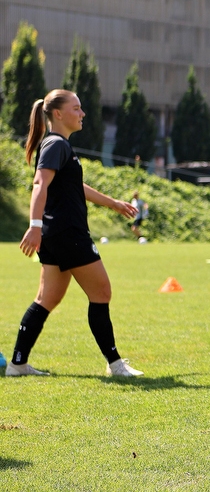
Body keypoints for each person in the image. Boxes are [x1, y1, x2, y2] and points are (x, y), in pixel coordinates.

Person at [9, 89, 143, 377]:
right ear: (58, 113)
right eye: (76, 108)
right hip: (68, 233)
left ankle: (17, 364)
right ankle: (116, 365)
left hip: (56, 234)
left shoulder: (59, 146)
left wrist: (113, 204)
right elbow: (39, 184)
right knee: (101, 291)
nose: (82, 114)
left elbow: (73, 187)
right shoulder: (56, 144)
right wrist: (33, 226)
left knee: (48, 298)